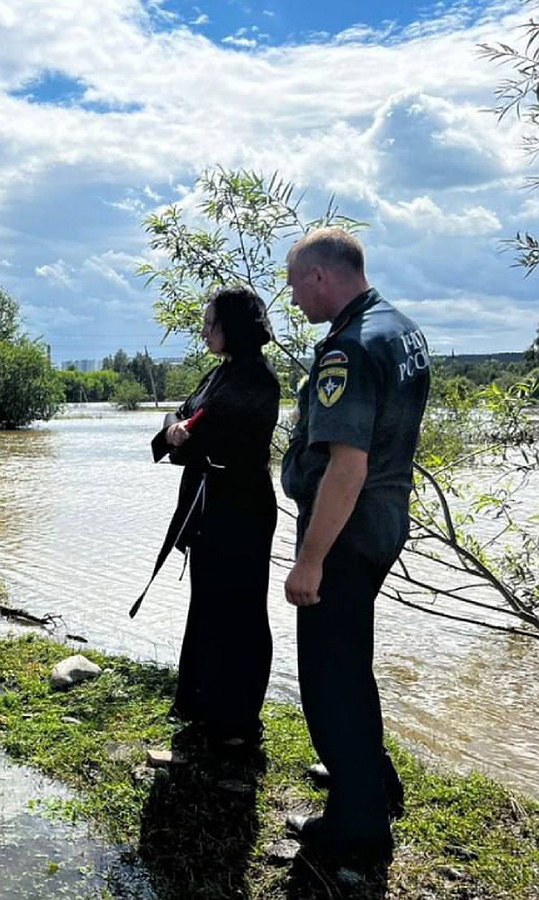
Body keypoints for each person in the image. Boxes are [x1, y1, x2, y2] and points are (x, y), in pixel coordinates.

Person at [281, 229, 430, 866]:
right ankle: (375, 781)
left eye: (294, 283)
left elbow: (347, 465)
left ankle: (357, 829)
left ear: (320, 276)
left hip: (345, 530)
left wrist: (309, 559)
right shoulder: (401, 330)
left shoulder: (347, 348)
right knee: (351, 660)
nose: (292, 297)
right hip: (384, 520)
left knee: (328, 676)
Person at [141, 286, 280, 749]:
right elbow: (180, 417)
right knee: (208, 606)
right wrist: (174, 431)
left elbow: (217, 440)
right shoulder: (219, 373)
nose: (204, 331)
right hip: (211, 506)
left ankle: (238, 723)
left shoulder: (258, 380)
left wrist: (184, 436)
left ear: (233, 328)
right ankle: (203, 708)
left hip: (241, 508)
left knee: (238, 612)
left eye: (210, 323)